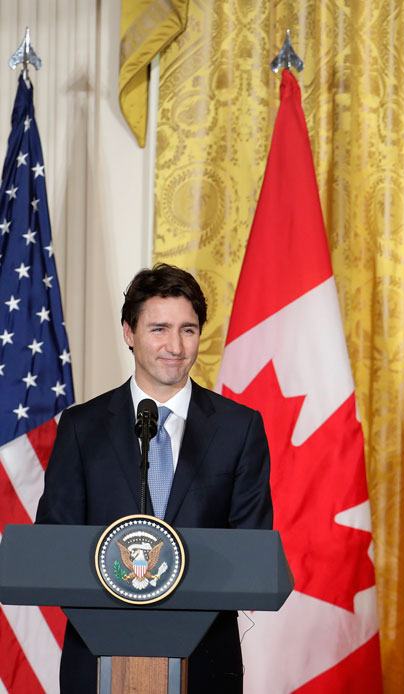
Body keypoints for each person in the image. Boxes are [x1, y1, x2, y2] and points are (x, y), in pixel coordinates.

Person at [36, 263, 274, 693]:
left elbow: (251, 547)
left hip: (205, 663)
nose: (175, 346)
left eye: (188, 329)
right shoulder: (81, 427)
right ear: (129, 333)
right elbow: (54, 545)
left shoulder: (240, 428)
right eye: (159, 329)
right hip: (98, 661)